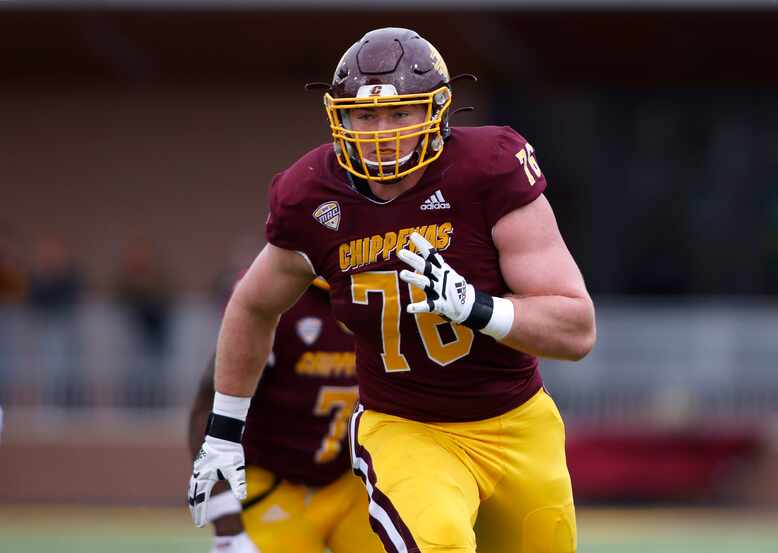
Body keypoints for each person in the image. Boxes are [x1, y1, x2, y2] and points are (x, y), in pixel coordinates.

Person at [189, 27, 596, 553]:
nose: (381, 131)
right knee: (437, 544)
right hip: (406, 427)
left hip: (517, 422)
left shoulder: (488, 169)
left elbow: (576, 328)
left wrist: (480, 309)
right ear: (341, 117)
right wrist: (224, 431)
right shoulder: (312, 193)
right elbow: (252, 303)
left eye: (400, 112)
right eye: (365, 115)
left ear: (437, 112)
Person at [189, 278, 384, 553]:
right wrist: (226, 524)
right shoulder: (275, 291)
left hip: (350, 480)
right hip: (275, 480)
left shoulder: (392, 287)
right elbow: (206, 407)